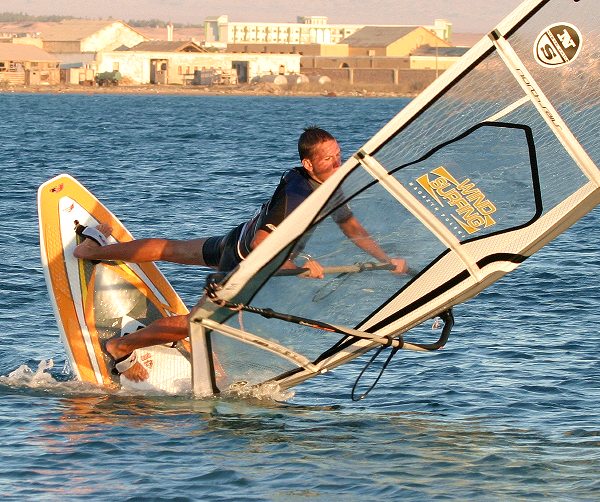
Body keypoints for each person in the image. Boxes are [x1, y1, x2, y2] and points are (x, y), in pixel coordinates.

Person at [74, 126, 407, 382]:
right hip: (246, 259)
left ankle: (95, 250)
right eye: (327, 159)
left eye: (338, 155)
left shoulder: (326, 185)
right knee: (199, 323)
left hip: (236, 240)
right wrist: (302, 264)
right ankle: (121, 348)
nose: (337, 162)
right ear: (308, 164)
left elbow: (350, 226)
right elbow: (264, 246)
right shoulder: (298, 193)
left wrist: (384, 260)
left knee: (171, 249)